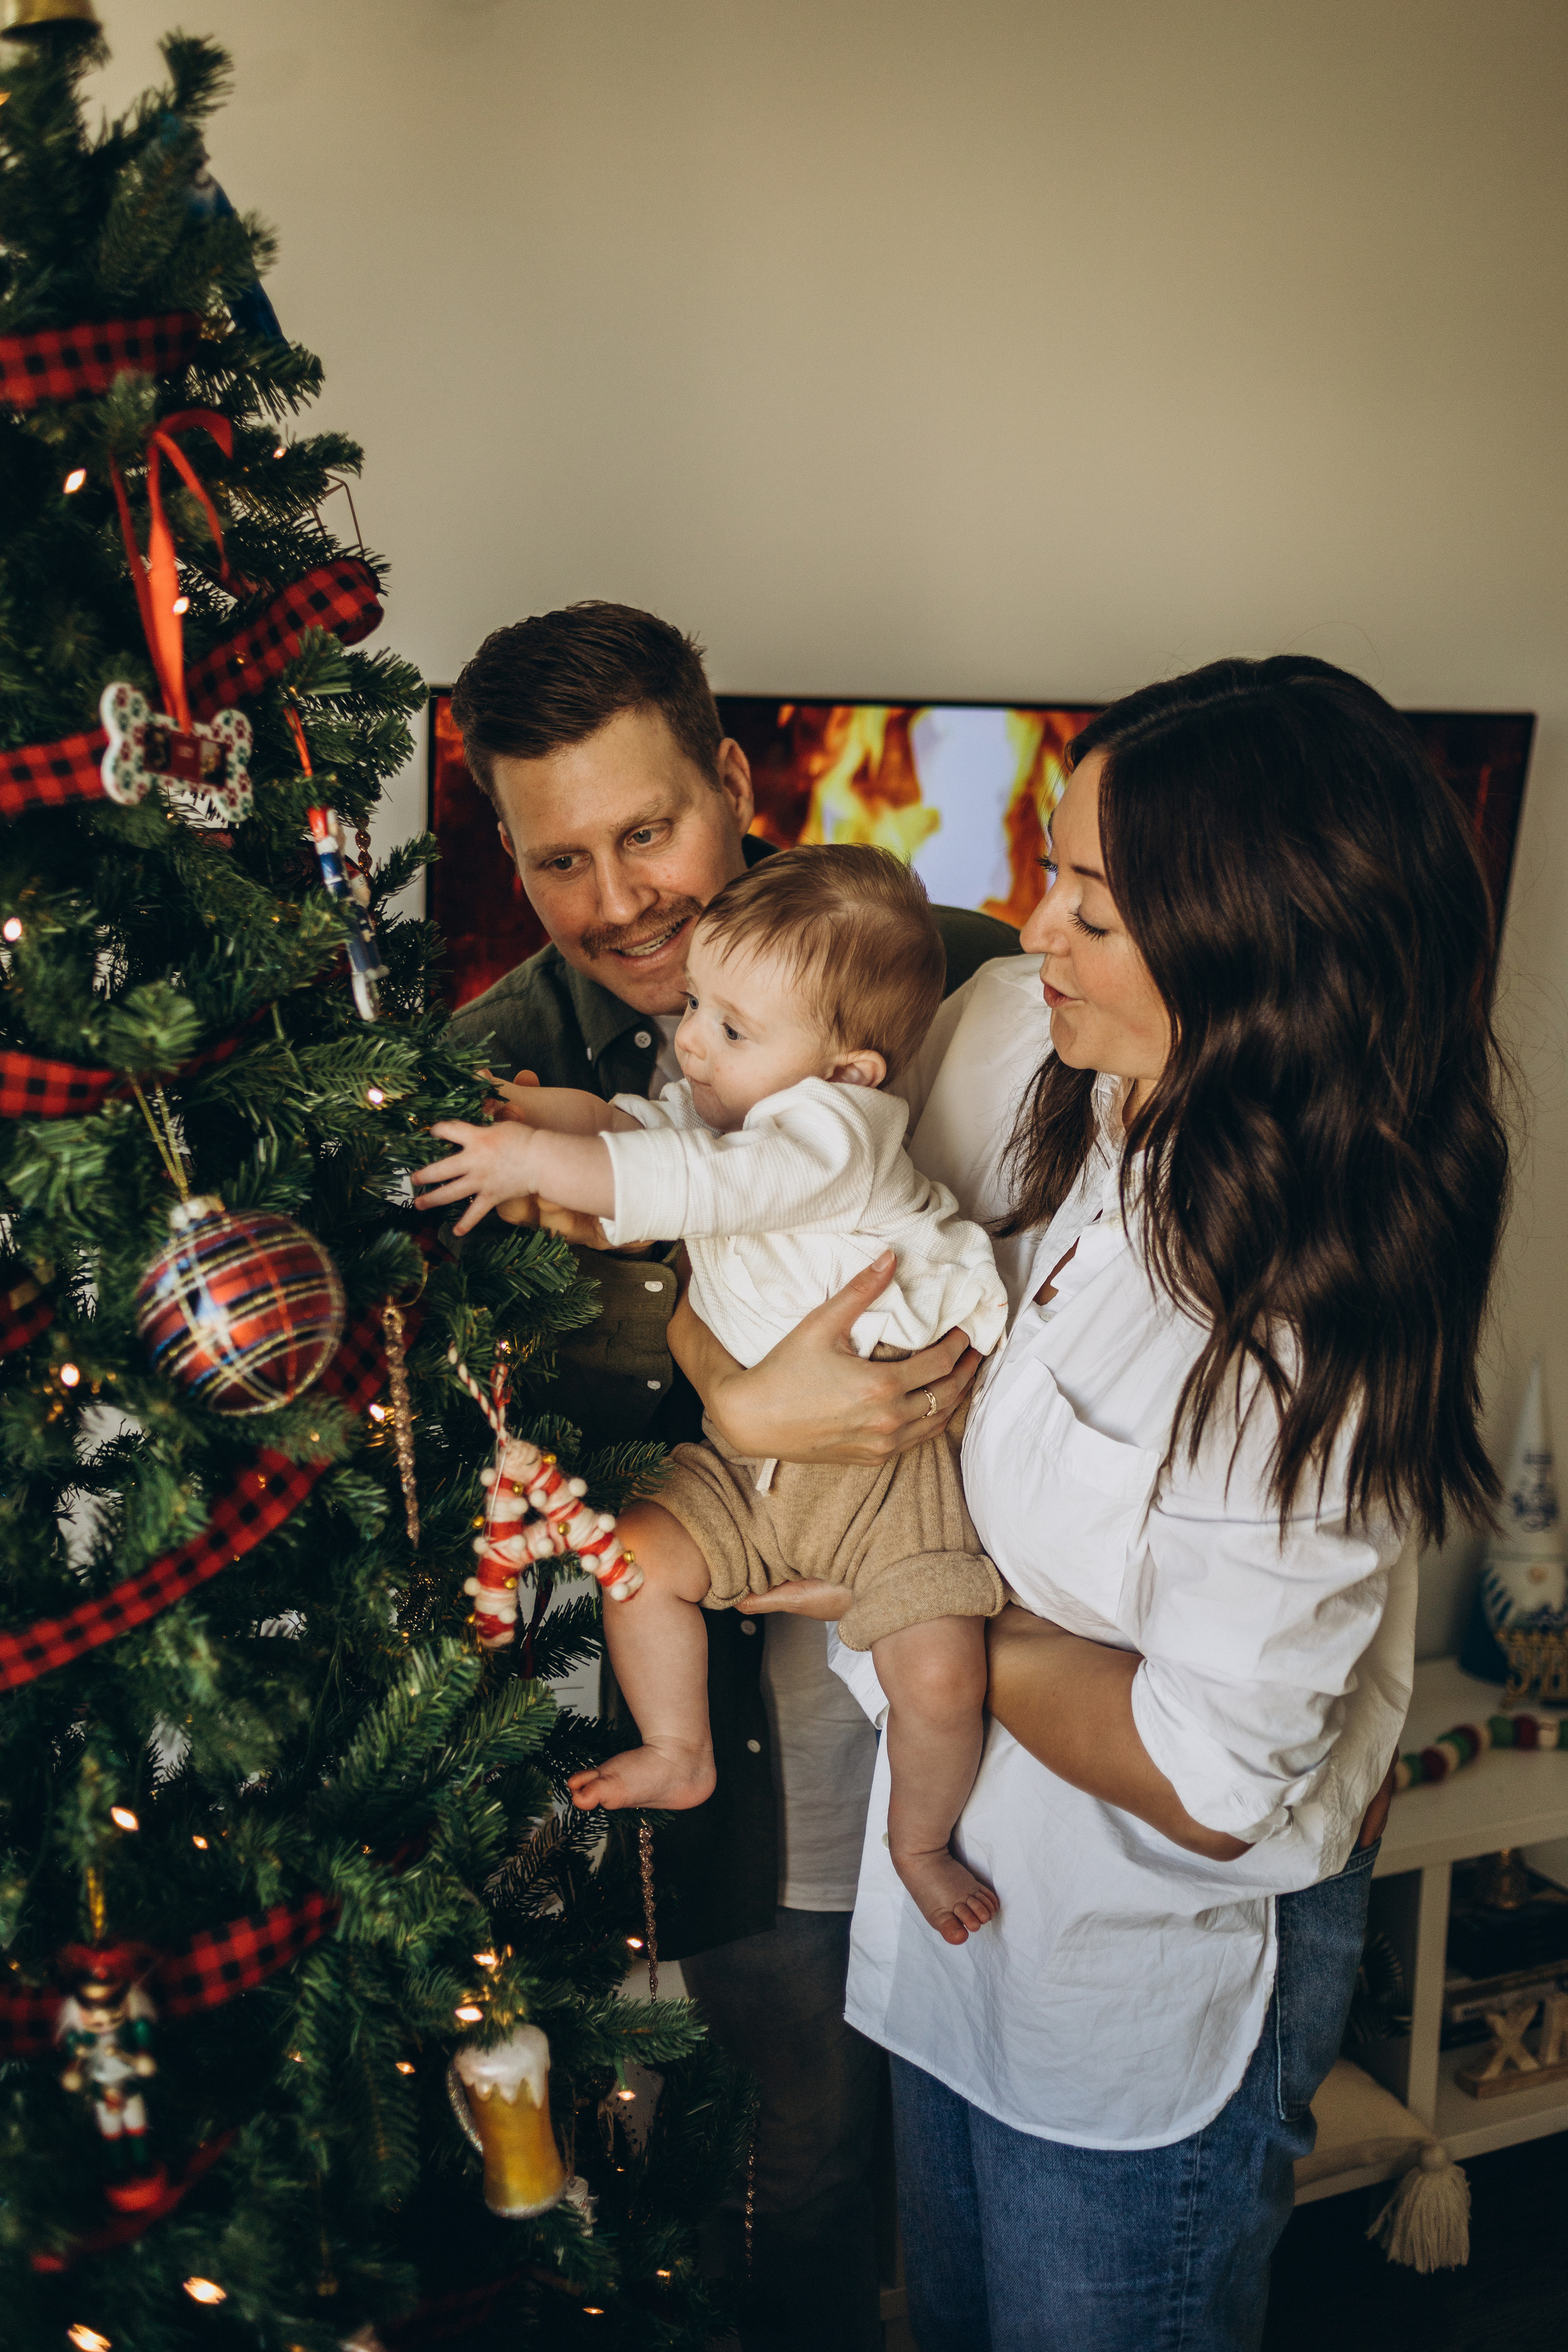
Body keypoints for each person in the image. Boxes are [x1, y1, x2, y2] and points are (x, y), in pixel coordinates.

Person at [666, 656, 1509, 2350]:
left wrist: (926, 1610)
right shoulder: (1026, 1059)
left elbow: (1211, 1779)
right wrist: (733, 1388)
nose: (1032, 931)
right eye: (1054, 875)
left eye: (1093, 908)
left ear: (1250, 945)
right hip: (966, 1912)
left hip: (1138, 1990)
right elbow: (771, 1239)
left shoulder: (1301, 1315)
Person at [444, 603, 1020, 2348]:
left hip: (930, 1692)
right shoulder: (496, 1066)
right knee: (612, 2157)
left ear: (737, 781)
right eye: (562, 861)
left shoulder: (970, 982)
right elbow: (477, 1399)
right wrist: (737, 1396)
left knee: (831, 2153)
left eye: (650, 833)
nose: (620, 899)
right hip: (661, 1692)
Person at [418, 846, 1009, 1939]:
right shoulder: (747, 1108)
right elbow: (645, 1135)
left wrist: (531, 1167)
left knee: (935, 1674)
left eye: (732, 1028)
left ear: (851, 1071)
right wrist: (549, 1115)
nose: (691, 1039)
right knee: (632, 1556)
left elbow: (696, 1184)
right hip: (746, 1468)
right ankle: (680, 1752)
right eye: (697, 1003)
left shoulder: (833, 1135)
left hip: (885, 1483)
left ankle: (918, 1842)